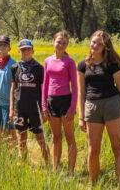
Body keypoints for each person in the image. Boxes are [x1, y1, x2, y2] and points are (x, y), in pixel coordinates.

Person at [78, 30, 120, 186]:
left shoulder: (112, 64)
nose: (95, 45)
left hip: (112, 105)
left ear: (105, 47)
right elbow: (81, 93)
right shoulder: (82, 65)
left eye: (99, 44)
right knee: (93, 150)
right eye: (93, 42)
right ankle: (93, 184)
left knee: (117, 147)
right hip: (91, 107)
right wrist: (81, 117)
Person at [10, 39, 50, 168]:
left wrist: (45, 109)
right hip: (20, 108)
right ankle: (24, 163)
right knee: (22, 138)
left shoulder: (39, 68)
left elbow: (44, 90)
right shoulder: (15, 67)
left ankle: (49, 164)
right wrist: (12, 108)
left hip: (35, 109)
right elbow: (13, 88)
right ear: (19, 51)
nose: (26, 52)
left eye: (28, 49)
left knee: (40, 138)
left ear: (33, 50)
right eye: (23, 50)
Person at [43, 31, 79, 174]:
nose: (61, 45)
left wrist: (72, 108)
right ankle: (55, 169)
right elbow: (45, 85)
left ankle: (70, 171)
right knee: (56, 137)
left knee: (69, 137)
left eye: (64, 43)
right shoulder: (47, 61)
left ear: (66, 46)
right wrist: (44, 106)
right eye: (58, 42)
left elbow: (75, 87)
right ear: (53, 42)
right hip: (52, 101)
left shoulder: (69, 62)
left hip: (65, 101)